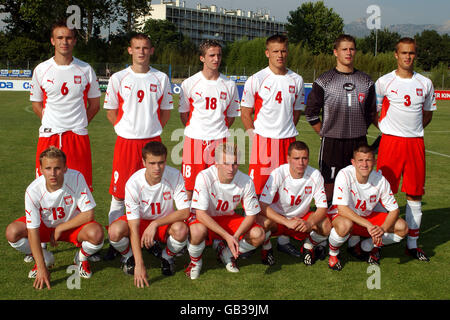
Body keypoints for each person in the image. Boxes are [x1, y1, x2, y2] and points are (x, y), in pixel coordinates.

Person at [103, 33, 173, 260]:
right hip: (125, 143)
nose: (141, 52)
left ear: (151, 51)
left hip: (152, 143)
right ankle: (117, 243)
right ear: (129, 50)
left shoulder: (161, 78)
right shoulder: (119, 78)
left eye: (145, 48)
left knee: (153, 193)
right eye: (137, 47)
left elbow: (165, 112)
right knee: (119, 194)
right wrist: (125, 129)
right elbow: (111, 111)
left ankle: (151, 239)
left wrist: (150, 131)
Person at [240, 34, 304, 256]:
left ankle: (283, 238)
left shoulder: (296, 80)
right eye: (275, 51)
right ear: (267, 53)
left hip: (288, 143)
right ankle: (256, 238)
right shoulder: (256, 79)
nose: (280, 55)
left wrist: (285, 131)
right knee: (258, 193)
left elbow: (296, 111)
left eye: (284, 50)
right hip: (263, 143)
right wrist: (255, 137)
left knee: (285, 192)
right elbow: (245, 112)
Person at [5, 147, 104, 289]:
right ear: (40, 169)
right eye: (48, 168)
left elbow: (88, 214)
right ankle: (45, 258)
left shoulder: (76, 178)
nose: (52, 173)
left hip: (71, 226)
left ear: (65, 168)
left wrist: (60, 228)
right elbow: (33, 231)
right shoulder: (33, 190)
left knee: (97, 233)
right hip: (44, 227)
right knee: (12, 232)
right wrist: (41, 267)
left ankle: (81, 258)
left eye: (57, 168)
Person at [375, 37, 437, 262]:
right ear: (396, 55)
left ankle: (412, 244)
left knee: (414, 193)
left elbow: (427, 114)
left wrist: (414, 130)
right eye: (404, 53)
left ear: (415, 55)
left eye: (411, 53)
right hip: (391, 143)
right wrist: (386, 128)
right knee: (384, 193)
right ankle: (378, 240)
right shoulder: (384, 82)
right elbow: (375, 111)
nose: (408, 57)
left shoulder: (425, 83)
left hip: (415, 143)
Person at [305, 34, 377, 206]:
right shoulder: (324, 80)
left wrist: (358, 128)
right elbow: (311, 113)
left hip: (358, 142)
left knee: (357, 184)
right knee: (329, 185)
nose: (348, 52)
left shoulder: (366, 81)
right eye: (344, 49)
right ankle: (327, 227)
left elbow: (370, 113)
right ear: (335, 52)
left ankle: (353, 225)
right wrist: (324, 133)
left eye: (352, 49)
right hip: (332, 142)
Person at [107, 141, 190, 288]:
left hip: (163, 222)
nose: (157, 168)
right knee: (114, 231)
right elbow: (133, 225)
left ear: (165, 160)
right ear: (144, 162)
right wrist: (140, 264)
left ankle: (167, 257)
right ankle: (129, 258)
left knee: (181, 230)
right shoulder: (133, 183)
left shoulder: (175, 175)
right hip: (140, 221)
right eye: (152, 163)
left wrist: (155, 224)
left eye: (161, 162)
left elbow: (185, 211)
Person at [30, 20, 101, 191]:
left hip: (77, 137)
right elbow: (36, 104)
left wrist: (79, 123)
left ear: (75, 40)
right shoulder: (41, 69)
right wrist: (51, 121)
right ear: (53, 41)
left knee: (80, 187)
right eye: (60, 37)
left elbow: (95, 105)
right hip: (49, 136)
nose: (64, 42)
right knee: (46, 187)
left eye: (68, 38)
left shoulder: (85, 69)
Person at [184, 143, 265, 280]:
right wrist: (227, 236)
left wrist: (236, 236)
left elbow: (251, 215)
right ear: (216, 164)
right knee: (197, 232)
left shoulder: (246, 181)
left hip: (227, 217)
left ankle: (226, 253)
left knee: (259, 234)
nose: (231, 169)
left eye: (234, 164)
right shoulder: (204, 177)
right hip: (205, 218)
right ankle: (195, 262)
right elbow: (201, 214)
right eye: (226, 163)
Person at [327, 144, 408, 271]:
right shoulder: (344, 174)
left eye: (368, 160)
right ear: (353, 162)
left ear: (374, 161)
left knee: (402, 228)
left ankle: (366, 246)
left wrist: (382, 229)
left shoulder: (380, 180)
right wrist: (369, 225)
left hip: (366, 217)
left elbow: (394, 210)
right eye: (360, 160)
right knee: (344, 226)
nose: (364, 164)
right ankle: (333, 254)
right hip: (344, 216)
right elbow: (342, 209)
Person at [179, 39, 240, 201]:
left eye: (219, 55)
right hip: (194, 141)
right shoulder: (189, 83)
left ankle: (214, 217)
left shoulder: (229, 85)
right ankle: (189, 218)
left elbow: (231, 116)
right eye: (211, 55)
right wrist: (198, 130)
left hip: (219, 141)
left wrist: (217, 130)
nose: (216, 59)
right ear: (202, 58)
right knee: (190, 184)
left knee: (218, 183)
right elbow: (184, 114)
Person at [258, 141, 331, 266]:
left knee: (326, 225)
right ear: (288, 159)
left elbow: (322, 208)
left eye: (304, 158)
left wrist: (310, 223)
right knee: (260, 222)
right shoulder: (278, 173)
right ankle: (267, 248)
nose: (301, 163)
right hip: (279, 219)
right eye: (296, 158)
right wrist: (286, 222)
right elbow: (262, 205)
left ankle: (309, 245)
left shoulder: (315, 175)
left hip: (301, 220)